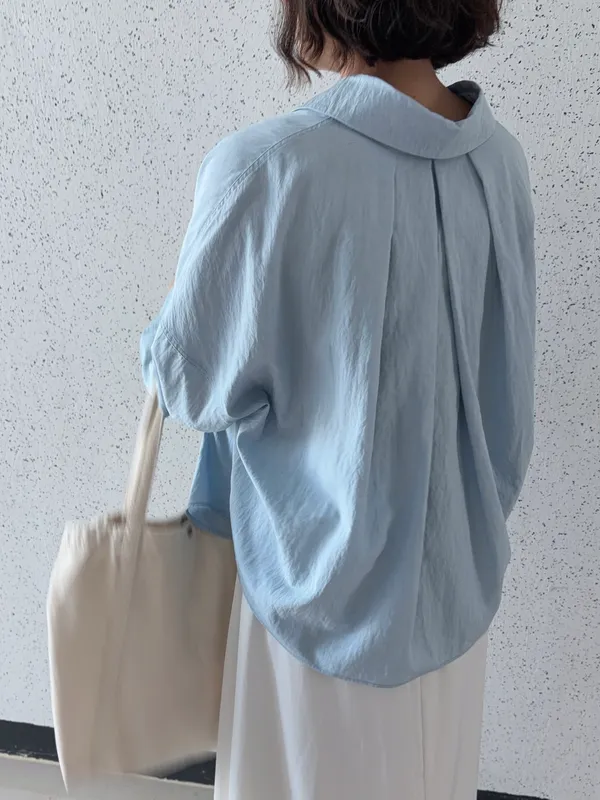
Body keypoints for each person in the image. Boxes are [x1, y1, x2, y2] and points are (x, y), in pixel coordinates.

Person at [141, 1, 536, 797]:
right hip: (453, 580)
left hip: (314, 580)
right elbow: (507, 381)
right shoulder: (499, 159)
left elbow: (190, 383)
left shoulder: (268, 165)